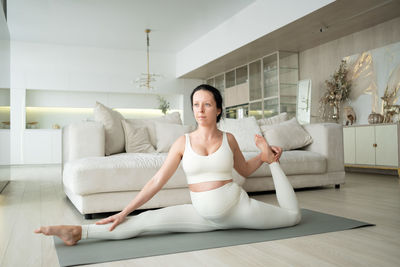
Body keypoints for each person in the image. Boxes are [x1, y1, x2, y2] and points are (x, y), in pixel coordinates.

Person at [34, 84, 301, 246]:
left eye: (207, 104)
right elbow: (156, 181)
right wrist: (125, 210)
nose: (200, 109)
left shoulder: (228, 139)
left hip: (238, 210)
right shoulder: (181, 142)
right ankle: (78, 233)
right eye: (196, 104)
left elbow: (243, 170)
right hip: (203, 215)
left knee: (292, 217)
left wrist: (265, 158)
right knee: (143, 223)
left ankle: (273, 160)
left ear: (218, 109)